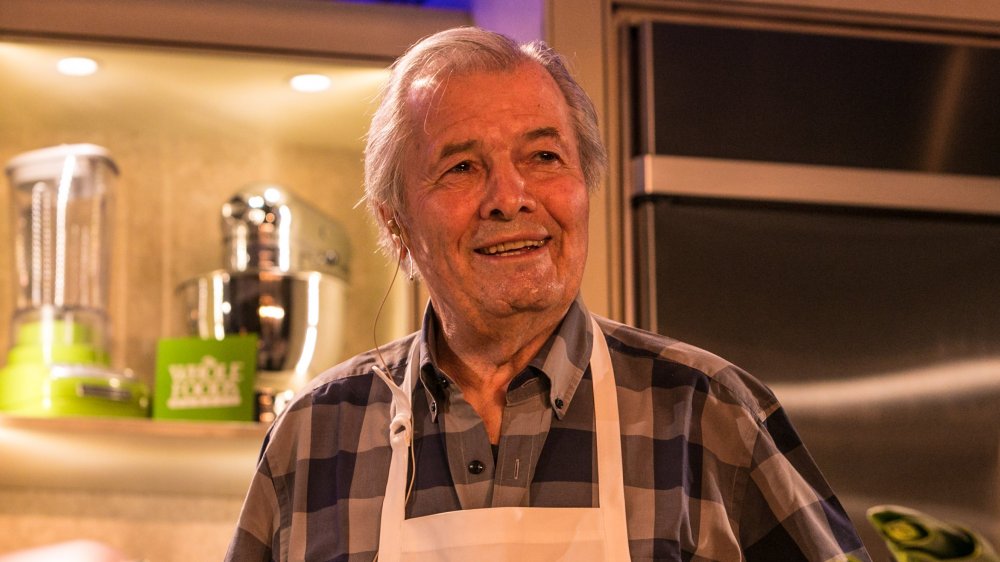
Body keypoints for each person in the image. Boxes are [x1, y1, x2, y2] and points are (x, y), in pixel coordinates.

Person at [226, 26, 872, 562]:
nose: (510, 198)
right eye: (462, 167)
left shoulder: (707, 413)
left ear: (584, 186)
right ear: (396, 221)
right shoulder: (315, 434)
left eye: (543, 158)